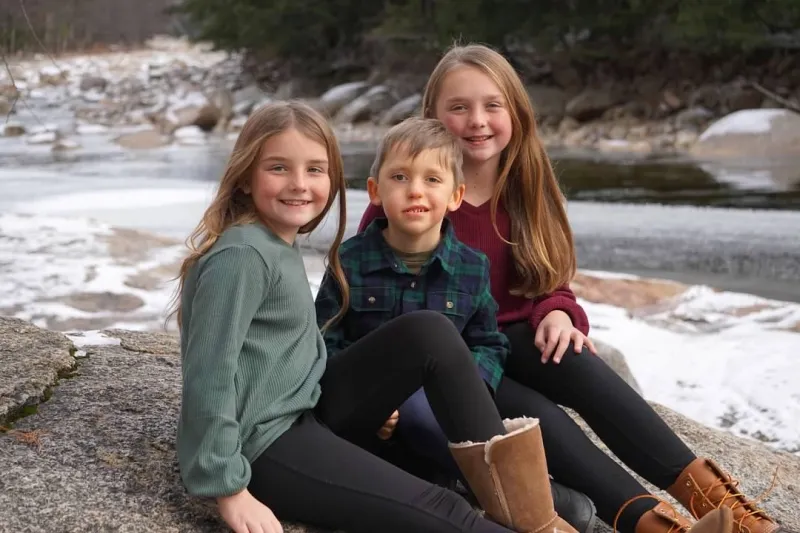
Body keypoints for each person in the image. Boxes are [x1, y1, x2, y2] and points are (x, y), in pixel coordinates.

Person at [356, 44, 793, 533]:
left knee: (579, 362)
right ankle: (654, 527)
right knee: (543, 417)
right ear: (432, 116)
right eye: (458, 107)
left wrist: (558, 312)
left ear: (516, 113)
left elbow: (550, 275)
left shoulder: (526, 183)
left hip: (516, 338)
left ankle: (730, 508)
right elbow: (365, 292)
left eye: (491, 105)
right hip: (457, 363)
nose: (477, 120)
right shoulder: (409, 194)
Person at [172, 100, 605, 533]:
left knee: (429, 331)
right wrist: (230, 492)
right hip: (270, 443)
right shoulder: (243, 257)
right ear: (246, 177)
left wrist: (374, 396)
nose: (299, 184)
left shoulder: (274, 243)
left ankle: (525, 503)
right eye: (278, 168)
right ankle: (538, 519)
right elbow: (209, 375)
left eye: (315, 170)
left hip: (311, 405)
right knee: (443, 509)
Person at [315, 116, 597, 533]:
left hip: (442, 411)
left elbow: (488, 342)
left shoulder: (469, 267)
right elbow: (323, 340)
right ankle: (543, 501)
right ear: (375, 191)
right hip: (376, 412)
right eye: (399, 177)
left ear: (455, 196)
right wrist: (376, 402)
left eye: (432, 179)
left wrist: (470, 391)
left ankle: (519, 499)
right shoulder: (348, 262)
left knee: (441, 421)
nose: (415, 190)